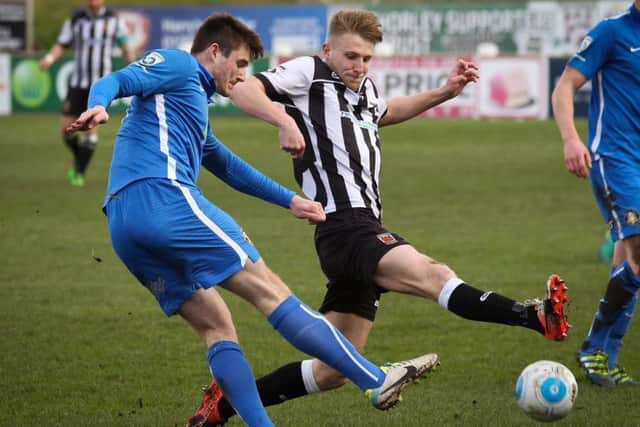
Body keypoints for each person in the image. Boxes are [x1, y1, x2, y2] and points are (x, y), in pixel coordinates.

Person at [187, 9, 571, 426]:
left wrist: (444, 92)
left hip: (360, 228)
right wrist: (283, 121)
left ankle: (222, 405)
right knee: (434, 275)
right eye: (350, 56)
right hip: (345, 226)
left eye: (367, 58)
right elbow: (245, 88)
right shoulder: (308, 72)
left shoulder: (364, 90)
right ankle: (533, 315)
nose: (358, 66)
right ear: (327, 49)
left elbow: (386, 111)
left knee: (332, 369)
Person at [67, 12, 439, 427]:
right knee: (270, 292)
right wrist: (98, 104)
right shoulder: (178, 64)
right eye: (241, 64)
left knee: (217, 325)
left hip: (124, 225)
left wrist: (290, 201)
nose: (243, 75)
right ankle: (374, 378)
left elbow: (225, 164)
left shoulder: (187, 104)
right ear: (214, 52)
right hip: (164, 199)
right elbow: (117, 79)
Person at [552, 1, 640, 386]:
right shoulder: (612, 31)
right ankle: (593, 350)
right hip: (615, 158)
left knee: (629, 263)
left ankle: (602, 356)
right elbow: (565, 86)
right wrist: (571, 139)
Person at [40, 0, 135, 187]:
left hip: (100, 85)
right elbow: (61, 43)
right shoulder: (76, 19)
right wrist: (49, 58)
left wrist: (132, 67)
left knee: (90, 128)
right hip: (77, 83)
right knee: (66, 131)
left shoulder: (114, 20)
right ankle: (80, 160)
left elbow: (125, 46)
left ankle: (79, 172)